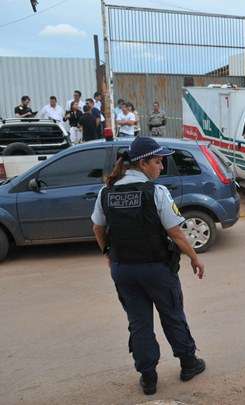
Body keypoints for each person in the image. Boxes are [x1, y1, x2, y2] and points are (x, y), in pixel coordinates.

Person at [91, 137, 206, 395]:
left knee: (139, 322)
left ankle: (148, 378)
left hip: (124, 270)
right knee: (172, 314)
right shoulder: (156, 193)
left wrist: (108, 252)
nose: (161, 167)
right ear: (142, 163)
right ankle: (189, 363)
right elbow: (176, 233)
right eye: (157, 161)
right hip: (156, 269)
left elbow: (98, 228)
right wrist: (195, 258)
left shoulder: (106, 192)